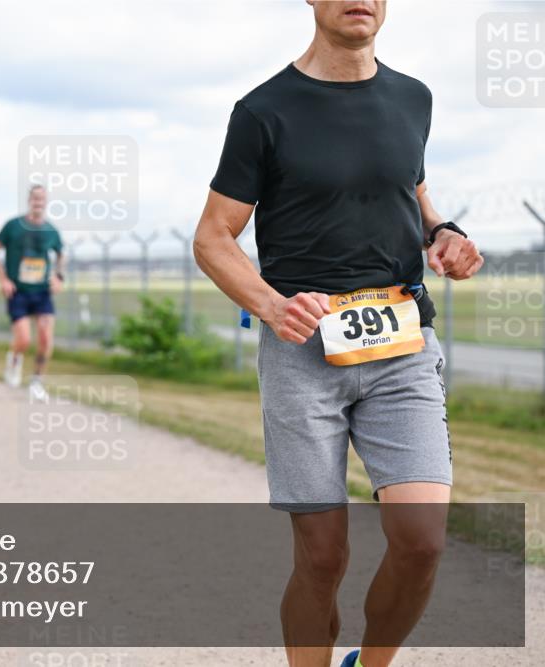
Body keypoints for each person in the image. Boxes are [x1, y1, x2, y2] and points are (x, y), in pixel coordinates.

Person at [191, 2, 484, 666]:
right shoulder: (264, 110)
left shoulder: (413, 98)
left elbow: (412, 192)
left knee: (422, 539)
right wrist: (268, 303)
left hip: (401, 344)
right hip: (303, 355)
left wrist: (444, 233)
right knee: (322, 558)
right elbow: (213, 237)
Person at [0, 185, 64, 395]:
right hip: (18, 291)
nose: (38, 203)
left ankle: (37, 381)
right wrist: (3, 279)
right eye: (35, 198)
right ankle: (14, 360)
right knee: (23, 339)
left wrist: (58, 277)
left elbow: (61, 254)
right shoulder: (13, 226)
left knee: (46, 338)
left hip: (42, 291)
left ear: (46, 202)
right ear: (29, 200)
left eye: (42, 199)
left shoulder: (51, 230)